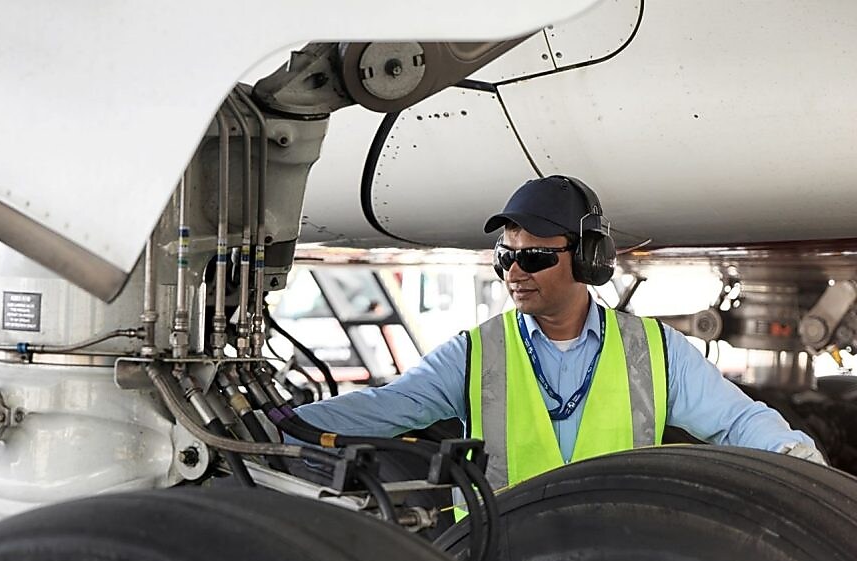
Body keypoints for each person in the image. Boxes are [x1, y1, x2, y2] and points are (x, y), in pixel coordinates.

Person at [292, 175, 823, 493]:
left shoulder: (654, 352)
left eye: (535, 257)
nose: (514, 272)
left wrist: (804, 468)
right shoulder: (476, 353)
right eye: (506, 256)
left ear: (589, 259)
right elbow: (383, 409)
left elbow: (736, 422)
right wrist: (274, 428)